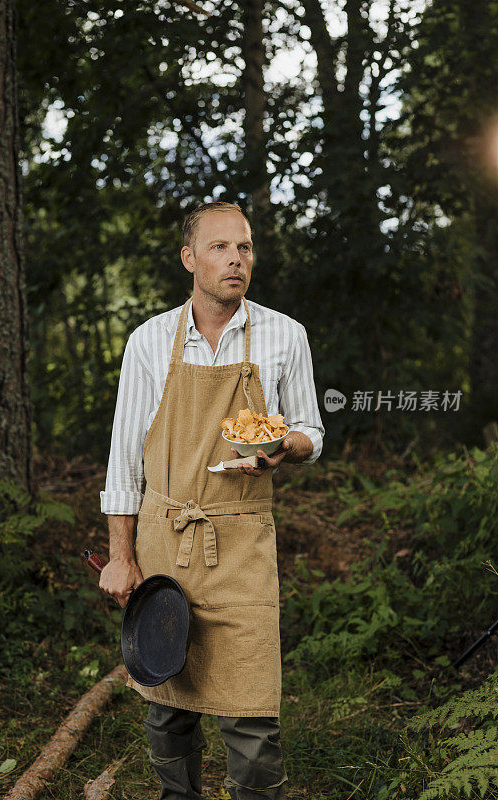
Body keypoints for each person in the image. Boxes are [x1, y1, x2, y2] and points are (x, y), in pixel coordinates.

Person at [99, 200, 325, 800]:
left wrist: (286, 446)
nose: (236, 259)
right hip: (165, 535)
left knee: (252, 713)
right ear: (188, 258)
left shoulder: (284, 335)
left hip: (243, 543)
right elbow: (124, 459)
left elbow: (312, 431)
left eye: (245, 248)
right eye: (221, 247)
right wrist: (121, 557)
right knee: (167, 706)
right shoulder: (149, 342)